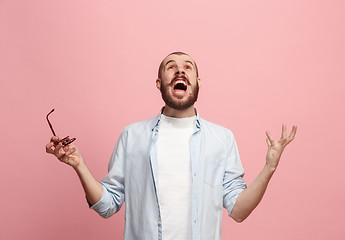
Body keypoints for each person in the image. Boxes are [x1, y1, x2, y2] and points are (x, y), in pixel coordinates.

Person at [46, 52, 297, 240]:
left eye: (187, 67)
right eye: (171, 67)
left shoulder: (222, 138)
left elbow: (239, 210)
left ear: (197, 82)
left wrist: (269, 168)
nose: (180, 71)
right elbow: (107, 204)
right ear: (159, 83)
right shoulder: (132, 136)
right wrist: (78, 164)